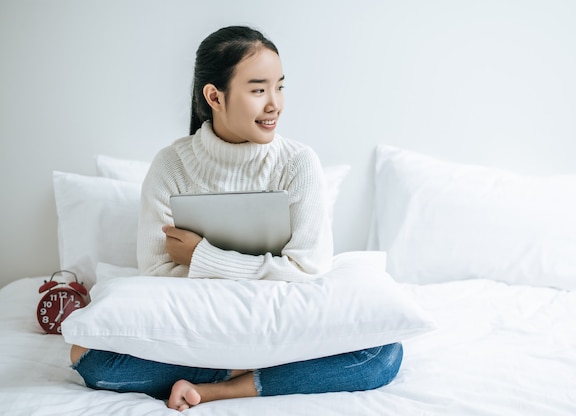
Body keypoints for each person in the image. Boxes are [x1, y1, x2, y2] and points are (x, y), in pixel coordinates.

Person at [70, 25, 402, 411]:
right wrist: (265, 273)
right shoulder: (171, 166)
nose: (275, 104)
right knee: (89, 357)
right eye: (259, 90)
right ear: (215, 96)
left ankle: (218, 388)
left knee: (383, 353)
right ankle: (253, 370)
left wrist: (202, 258)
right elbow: (157, 270)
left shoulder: (298, 163)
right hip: (202, 327)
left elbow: (308, 268)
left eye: (280, 86)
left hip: (284, 324)